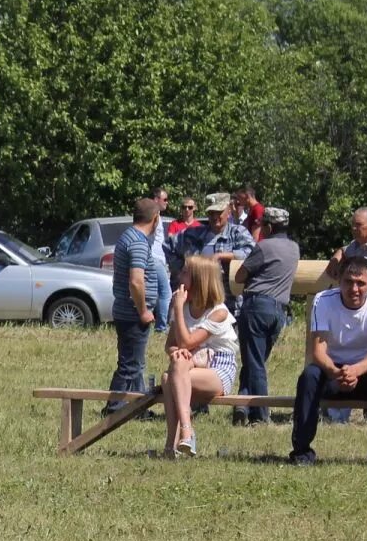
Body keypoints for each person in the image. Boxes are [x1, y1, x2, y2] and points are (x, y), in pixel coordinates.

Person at [288, 258, 367, 466]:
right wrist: (335, 372)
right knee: (309, 376)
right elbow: (318, 351)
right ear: (339, 280)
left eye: (360, 283)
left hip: (366, 369)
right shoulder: (323, 300)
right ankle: (301, 452)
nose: (354, 289)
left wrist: (355, 371)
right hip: (331, 368)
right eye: (348, 282)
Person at [160, 256, 238, 458]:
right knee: (170, 375)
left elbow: (187, 341)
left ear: (199, 279)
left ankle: (182, 435)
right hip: (189, 366)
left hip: (219, 367)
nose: (179, 276)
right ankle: (176, 443)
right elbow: (171, 345)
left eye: (185, 272)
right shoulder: (183, 305)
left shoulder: (218, 312)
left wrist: (177, 309)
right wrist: (176, 352)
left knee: (171, 379)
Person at [230, 207, 299, 425]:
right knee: (255, 360)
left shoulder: (263, 246)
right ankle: (242, 405)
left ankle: (260, 415)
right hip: (279, 311)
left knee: (255, 362)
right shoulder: (294, 248)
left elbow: (240, 275)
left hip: (257, 306)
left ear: (268, 227)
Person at [106, 198, 171, 415]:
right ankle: (114, 407)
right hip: (133, 314)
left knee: (134, 363)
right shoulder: (138, 242)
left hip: (127, 311)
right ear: (155, 218)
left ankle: (138, 408)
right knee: (130, 365)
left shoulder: (128, 236)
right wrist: (143, 310)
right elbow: (136, 281)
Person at [175, 193, 256, 270]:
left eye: (219, 212)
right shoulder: (194, 234)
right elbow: (168, 246)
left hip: (225, 283)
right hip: (199, 283)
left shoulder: (238, 232)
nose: (215, 217)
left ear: (229, 211)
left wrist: (221, 256)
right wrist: (179, 273)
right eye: (211, 213)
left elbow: (252, 253)